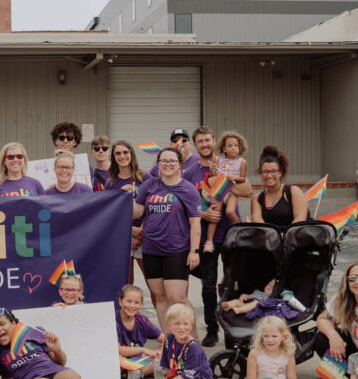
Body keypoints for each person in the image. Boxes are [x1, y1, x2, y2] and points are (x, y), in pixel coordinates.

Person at [184, 125, 253, 347]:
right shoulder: (190, 171)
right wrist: (202, 212)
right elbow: (186, 203)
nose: (204, 144)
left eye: (208, 140)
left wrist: (224, 184)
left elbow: (247, 190)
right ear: (195, 145)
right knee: (208, 285)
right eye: (200, 141)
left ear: (214, 141)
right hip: (207, 236)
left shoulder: (228, 162)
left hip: (231, 234)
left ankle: (234, 330)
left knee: (234, 284)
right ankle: (212, 328)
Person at [132, 147, 202, 334]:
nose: (168, 164)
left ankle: (192, 341)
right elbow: (138, 212)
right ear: (158, 164)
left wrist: (194, 251)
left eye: (172, 161)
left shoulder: (188, 189)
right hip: (151, 249)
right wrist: (124, 197)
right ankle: (169, 342)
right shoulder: (149, 185)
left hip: (176, 250)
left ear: (179, 164)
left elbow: (195, 223)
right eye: (164, 161)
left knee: (177, 297)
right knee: (160, 297)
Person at [133, 303, 213, 379]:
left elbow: (185, 377)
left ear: (191, 326)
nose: (181, 327)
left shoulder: (194, 348)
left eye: (185, 324)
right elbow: (169, 367)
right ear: (169, 325)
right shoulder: (168, 340)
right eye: (176, 324)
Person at [106, 140, 146, 283]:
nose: (122, 156)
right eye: (118, 153)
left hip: (144, 236)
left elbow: (152, 210)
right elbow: (109, 215)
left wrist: (139, 234)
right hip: (122, 237)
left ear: (131, 154)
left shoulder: (144, 177)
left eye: (125, 152)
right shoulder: (111, 183)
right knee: (126, 283)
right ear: (113, 157)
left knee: (153, 284)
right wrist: (130, 230)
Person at [251, 145, 308, 229]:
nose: (269, 175)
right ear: (260, 174)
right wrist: (275, 237)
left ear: (280, 172)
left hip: (296, 237)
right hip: (271, 239)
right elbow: (260, 226)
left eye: (274, 171)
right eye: (265, 172)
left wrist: (284, 236)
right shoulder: (257, 199)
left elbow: (300, 219)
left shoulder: (293, 191)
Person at [116, 284, 162, 379]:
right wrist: (143, 349)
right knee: (116, 359)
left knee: (165, 351)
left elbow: (166, 339)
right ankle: (144, 371)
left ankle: (136, 374)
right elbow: (119, 349)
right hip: (122, 359)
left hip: (140, 359)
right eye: (129, 301)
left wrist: (159, 351)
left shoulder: (143, 321)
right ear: (120, 301)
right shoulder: (114, 321)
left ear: (141, 305)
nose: (132, 306)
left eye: (136, 302)